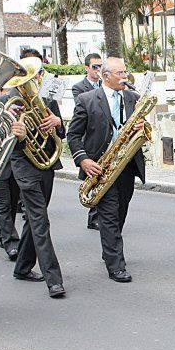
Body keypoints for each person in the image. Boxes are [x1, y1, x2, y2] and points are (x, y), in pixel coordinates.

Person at [67, 57, 146, 283]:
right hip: (100, 167)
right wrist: (83, 160)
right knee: (109, 215)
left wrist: (142, 127)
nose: (124, 77)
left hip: (127, 165)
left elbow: (142, 131)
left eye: (125, 72)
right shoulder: (86, 99)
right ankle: (116, 265)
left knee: (121, 211)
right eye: (119, 73)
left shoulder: (134, 98)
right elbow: (73, 135)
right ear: (105, 76)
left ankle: (109, 250)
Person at [4, 49, 66, 298]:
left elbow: (60, 136)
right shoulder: (8, 102)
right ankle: (54, 279)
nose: (35, 80)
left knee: (33, 218)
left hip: (47, 164)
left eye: (37, 75)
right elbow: (1, 142)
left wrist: (58, 124)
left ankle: (22, 267)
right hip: (24, 165)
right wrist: (16, 135)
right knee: (40, 220)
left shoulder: (47, 100)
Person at [73, 53, 102, 231]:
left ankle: (100, 214)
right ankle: (93, 216)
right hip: (88, 138)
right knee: (93, 177)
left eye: (100, 66)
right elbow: (81, 105)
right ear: (87, 68)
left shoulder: (103, 85)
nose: (98, 70)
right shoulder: (79, 88)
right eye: (94, 67)